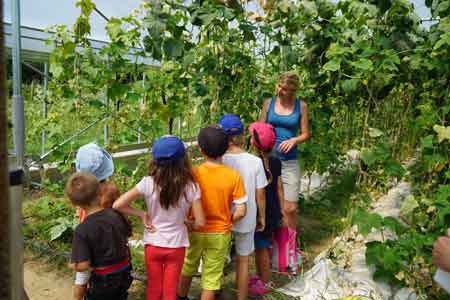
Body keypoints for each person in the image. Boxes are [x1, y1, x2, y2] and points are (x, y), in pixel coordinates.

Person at [113, 136, 205, 300]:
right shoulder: (191, 187)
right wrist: (188, 224)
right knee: (170, 291)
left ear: (155, 161)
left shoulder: (147, 183)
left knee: (154, 289)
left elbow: (117, 205)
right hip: (176, 246)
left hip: (153, 244)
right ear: (184, 160)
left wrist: (141, 214)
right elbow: (200, 222)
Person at [177, 125, 247, 300]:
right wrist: (230, 220)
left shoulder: (194, 174)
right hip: (220, 233)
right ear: (225, 149)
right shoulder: (234, 176)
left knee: (187, 266)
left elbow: (184, 202)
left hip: (195, 229)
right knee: (211, 277)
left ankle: (180, 296)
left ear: (201, 150)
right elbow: (241, 210)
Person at [219, 114, 268, 300]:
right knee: (243, 259)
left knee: (215, 258)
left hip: (222, 215)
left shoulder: (219, 159)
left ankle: (214, 291)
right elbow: (260, 194)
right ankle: (241, 297)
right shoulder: (255, 162)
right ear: (241, 136)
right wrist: (261, 216)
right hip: (247, 215)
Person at [65, 172, 133, 300]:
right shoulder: (115, 215)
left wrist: (73, 265)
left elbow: (84, 265)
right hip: (124, 272)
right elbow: (127, 234)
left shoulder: (82, 230)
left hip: (103, 280)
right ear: (100, 192)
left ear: (73, 203)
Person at [259, 71, 310, 229]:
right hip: (269, 160)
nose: (280, 90)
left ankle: (290, 245)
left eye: (285, 88)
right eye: (279, 86)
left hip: (289, 161)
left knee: (290, 208)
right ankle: (271, 243)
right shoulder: (269, 103)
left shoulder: (301, 106)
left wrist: (294, 140)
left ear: (293, 90)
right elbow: (259, 129)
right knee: (269, 203)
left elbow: (306, 133)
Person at [73, 143, 121, 300]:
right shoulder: (111, 189)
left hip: (90, 246)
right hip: (114, 252)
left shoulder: (82, 193)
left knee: (85, 277)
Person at [247, 122, 285, 295]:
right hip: (273, 211)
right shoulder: (276, 161)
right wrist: (282, 210)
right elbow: (279, 188)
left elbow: (258, 194)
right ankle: (261, 277)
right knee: (263, 246)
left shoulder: (254, 163)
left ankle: (266, 283)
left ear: (255, 144)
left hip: (261, 213)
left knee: (261, 248)